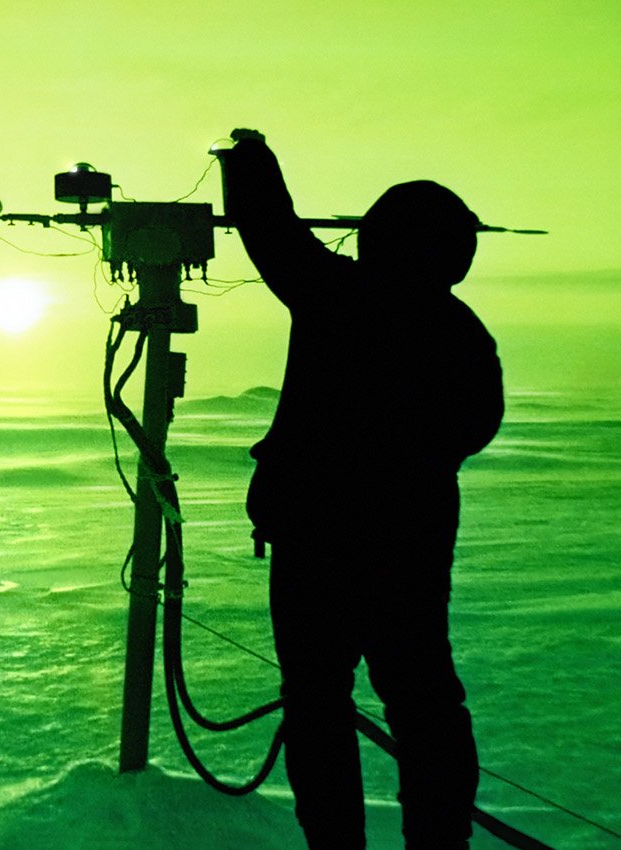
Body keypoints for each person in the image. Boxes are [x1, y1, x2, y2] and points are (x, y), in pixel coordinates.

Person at [218, 129, 504, 850]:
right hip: (411, 547)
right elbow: (477, 426)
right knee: (426, 705)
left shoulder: (334, 295)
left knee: (318, 705)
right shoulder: (464, 332)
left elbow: (272, 233)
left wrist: (250, 162)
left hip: (317, 544)